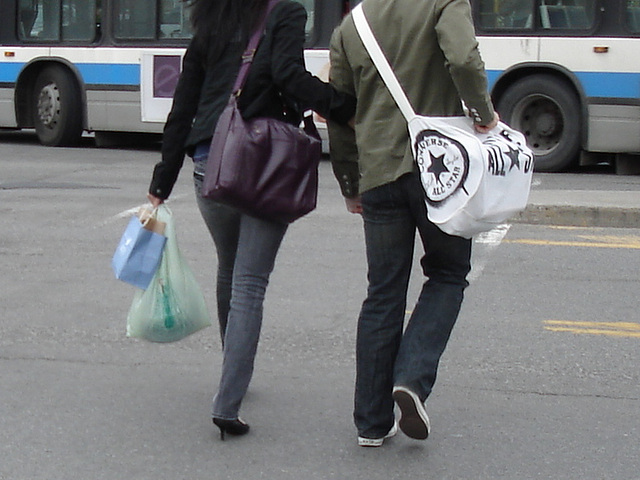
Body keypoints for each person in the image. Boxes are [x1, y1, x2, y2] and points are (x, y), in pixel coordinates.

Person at [147, 0, 355, 440]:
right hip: (261, 162)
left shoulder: (212, 15)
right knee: (250, 283)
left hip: (211, 164)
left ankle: (232, 369)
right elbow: (289, 77)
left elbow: (183, 104)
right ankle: (227, 401)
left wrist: (162, 181)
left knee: (230, 266)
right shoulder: (287, 12)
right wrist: (343, 106)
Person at [327, 0, 499, 447]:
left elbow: (340, 111)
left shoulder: (352, 25)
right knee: (447, 273)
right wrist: (483, 114)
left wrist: (350, 181)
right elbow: (462, 57)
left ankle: (370, 422)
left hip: (379, 173)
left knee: (383, 291)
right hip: (439, 174)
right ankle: (411, 378)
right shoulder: (444, 2)